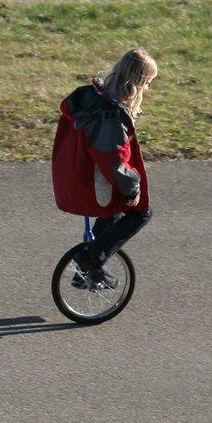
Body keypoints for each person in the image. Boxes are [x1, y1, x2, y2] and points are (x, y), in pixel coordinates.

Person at [51, 49, 158, 289]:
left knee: (114, 213)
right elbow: (113, 161)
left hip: (73, 175)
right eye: (147, 83)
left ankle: (86, 270)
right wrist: (133, 189)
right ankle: (91, 259)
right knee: (142, 212)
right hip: (92, 182)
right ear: (138, 82)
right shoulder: (111, 115)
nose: (147, 89)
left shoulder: (91, 96)